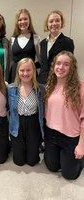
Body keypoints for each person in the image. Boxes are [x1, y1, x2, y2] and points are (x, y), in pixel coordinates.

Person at [44, 51, 84, 180]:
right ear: (53, 65)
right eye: (58, 63)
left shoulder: (80, 87)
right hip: (51, 134)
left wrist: (81, 145)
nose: (61, 67)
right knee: (52, 167)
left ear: (72, 68)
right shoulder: (49, 85)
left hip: (71, 136)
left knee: (69, 175)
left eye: (66, 64)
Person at [8, 58, 44, 166]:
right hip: (17, 123)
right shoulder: (11, 88)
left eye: (28, 70)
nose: (25, 73)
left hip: (33, 123)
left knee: (32, 161)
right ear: (18, 72)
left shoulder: (41, 89)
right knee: (19, 161)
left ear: (33, 71)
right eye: (22, 70)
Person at [37, 10, 75, 84]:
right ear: (47, 24)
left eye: (57, 20)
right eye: (51, 21)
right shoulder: (43, 43)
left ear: (61, 23)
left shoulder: (68, 42)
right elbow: (43, 62)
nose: (54, 23)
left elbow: (69, 64)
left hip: (58, 82)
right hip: (41, 82)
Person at [8, 8, 41, 83]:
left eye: (25, 19)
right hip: (15, 74)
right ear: (17, 22)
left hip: (30, 74)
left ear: (29, 21)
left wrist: (33, 68)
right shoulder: (12, 39)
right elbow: (10, 60)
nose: (22, 22)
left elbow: (40, 60)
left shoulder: (36, 38)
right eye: (20, 20)